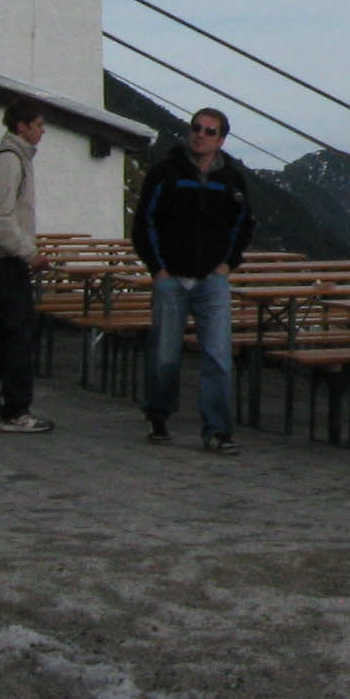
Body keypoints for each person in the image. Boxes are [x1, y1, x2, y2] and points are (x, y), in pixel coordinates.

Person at [131, 108, 252, 453]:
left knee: (217, 357)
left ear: (221, 139)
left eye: (209, 131)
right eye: (196, 128)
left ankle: (217, 430)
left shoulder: (231, 180)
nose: (201, 134)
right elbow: (144, 223)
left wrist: (227, 266)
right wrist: (158, 270)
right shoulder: (164, 174)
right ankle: (158, 415)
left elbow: (242, 225)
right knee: (164, 356)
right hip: (171, 278)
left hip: (211, 281)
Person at [0, 102, 53, 435]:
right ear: (22, 126)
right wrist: (27, 251)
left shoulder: (12, 157)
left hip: (1, 257)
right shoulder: (9, 159)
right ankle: (16, 410)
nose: (42, 130)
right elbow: (0, 215)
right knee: (18, 334)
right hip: (5, 258)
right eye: (38, 124)